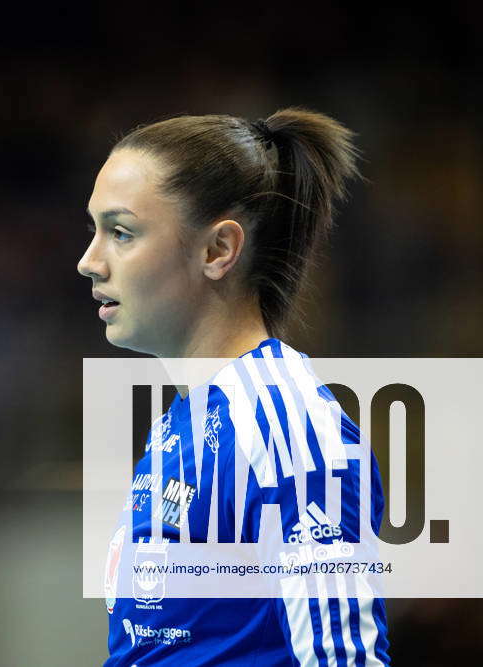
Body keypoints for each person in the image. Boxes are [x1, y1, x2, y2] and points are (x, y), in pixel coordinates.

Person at [78, 108, 391, 666]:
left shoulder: (283, 429)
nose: (90, 262)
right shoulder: (186, 422)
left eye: (121, 233)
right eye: (95, 230)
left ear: (218, 250)